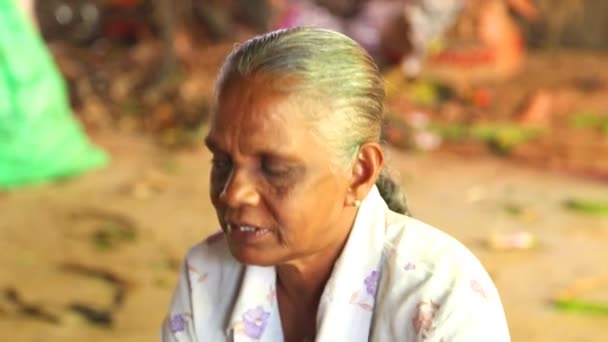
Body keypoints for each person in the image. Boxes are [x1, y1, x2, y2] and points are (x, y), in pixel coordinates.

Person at [161, 27, 510, 341]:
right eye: (222, 162)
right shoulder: (206, 276)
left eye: (275, 169)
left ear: (359, 172)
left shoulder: (442, 298)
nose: (233, 193)